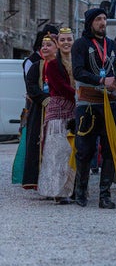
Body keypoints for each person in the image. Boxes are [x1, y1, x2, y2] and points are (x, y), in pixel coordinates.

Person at [71, 8, 116, 208]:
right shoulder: (80, 45)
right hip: (88, 103)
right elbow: (78, 71)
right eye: (99, 19)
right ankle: (80, 191)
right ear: (90, 22)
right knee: (85, 148)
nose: (103, 22)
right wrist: (101, 79)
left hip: (109, 103)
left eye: (105, 19)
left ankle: (105, 195)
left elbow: (114, 67)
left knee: (109, 149)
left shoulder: (110, 44)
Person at [37, 28, 76, 203]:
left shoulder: (76, 61)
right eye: (63, 40)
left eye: (69, 39)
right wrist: (79, 94)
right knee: (58, 152)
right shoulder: (53, 64)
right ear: (58, 43)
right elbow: (60, 87)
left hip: (74, 109)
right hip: (59, 111)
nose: (66, 42)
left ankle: (71, 188)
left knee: (72, 152)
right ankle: (57, 190)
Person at [22, 34, 58, 190]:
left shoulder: (62, 66)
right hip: (39, 111)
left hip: (58, 110)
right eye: (43, 45)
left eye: (49, 44)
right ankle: (36, 180)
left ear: (56, 47)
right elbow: (31, 87)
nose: (44, 47)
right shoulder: (36, 66)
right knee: (38, 144)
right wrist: (45, 99)